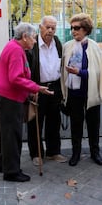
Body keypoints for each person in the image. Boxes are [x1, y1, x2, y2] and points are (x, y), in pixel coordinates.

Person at [0, 22, 53, 182]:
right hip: (10, 98)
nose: (35, 41)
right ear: (25, 37)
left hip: (8, 96)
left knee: (7, 133)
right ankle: (12, 171)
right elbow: (15, 78)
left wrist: (29, 90)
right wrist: (36, 88)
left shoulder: (15, 47)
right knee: (12, 135)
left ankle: (4, 165)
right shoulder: (15, 50)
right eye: (33, 38)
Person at [60, 13, 102, 167]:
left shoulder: (94, 47)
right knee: (76, 124)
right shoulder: (67, 46)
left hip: (90, 91)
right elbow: (62, 70)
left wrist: (79, 72)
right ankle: (76, 153)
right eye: (71, 28)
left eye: (77, 28)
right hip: (74, 93)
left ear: (86, 29)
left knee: (94, 124)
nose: (73, 31)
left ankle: (95, 152)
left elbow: (98, 72)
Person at [26, 16, 67, 167]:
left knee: (54, 121)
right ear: (40, 27)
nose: (50, 30)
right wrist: (31, 88)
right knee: (36, 122)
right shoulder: (33, 44)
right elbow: (27, 68)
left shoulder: (57, 42)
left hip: (54, 87)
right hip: (38, 87)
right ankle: (36, 153)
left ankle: (53, 151)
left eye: (53, 28)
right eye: (47, 27)